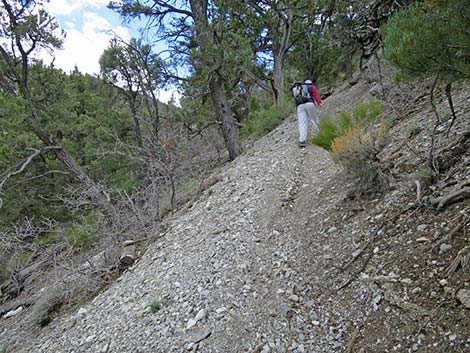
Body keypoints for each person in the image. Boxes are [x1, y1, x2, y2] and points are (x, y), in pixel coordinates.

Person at [290, 79, 323, 148]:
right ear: (311, 83)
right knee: (314, 120)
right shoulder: (311, 87)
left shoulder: (299, 88)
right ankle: (316, 136)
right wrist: (319, 102)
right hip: (310, 104)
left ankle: (302, 140)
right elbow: (316, 94)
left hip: (300, 106)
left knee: (302, 123)